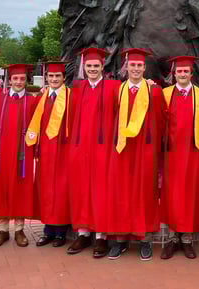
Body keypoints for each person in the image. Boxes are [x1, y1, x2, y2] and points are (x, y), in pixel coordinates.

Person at [106, 48, 164, 261]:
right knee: (122, 192)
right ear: (127, 67)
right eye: (133, 65)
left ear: (144, 68)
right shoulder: (118, 91)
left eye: (140, 65)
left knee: (144, 192)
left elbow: (160, 119)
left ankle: (145, 239)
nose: (136, 69)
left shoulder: (154, 91)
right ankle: (120, 240)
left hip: (145, 149)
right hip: (123, 149)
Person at [66, 48, 120, 257]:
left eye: (96, 66)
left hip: (103, 149)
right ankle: (82, 233)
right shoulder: (77, 89)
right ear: (84, 67)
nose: (92, 69)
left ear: (102, 66)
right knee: (82, 189)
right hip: (81, 149)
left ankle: (101, 237)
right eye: (89, 66)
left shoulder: (114, 87)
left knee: (101, 190)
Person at [160, 56, 199, 259]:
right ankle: (171, 238)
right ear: (174, 74)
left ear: (191, 74)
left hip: (193, 152)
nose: (183, 74)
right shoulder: (165, 94)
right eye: (179, 71)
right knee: (172, 194)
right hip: (171, 154)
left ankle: (186, 238)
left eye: (186, 71)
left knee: (189, 193)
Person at [0, 63, 39, 248]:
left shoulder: (32, 102)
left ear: (27, 81)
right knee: (2, 188)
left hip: (22, 155)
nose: (18, 82)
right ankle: (3, 230)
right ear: (9, 80)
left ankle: (19, 229)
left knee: (20, 188)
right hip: (1, 154)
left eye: (22, 79)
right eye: (15, 78)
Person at [25, 61, 71, 248]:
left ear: (63, 78)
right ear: (46, 78)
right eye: (51, 76)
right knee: (46, 189)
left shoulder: (71, 97)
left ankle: (60, 232)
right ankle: (48, 230)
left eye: (57, 76)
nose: (54, 79)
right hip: (45, 151)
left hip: (64, 152)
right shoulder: (40, 98)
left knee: (61, 190)